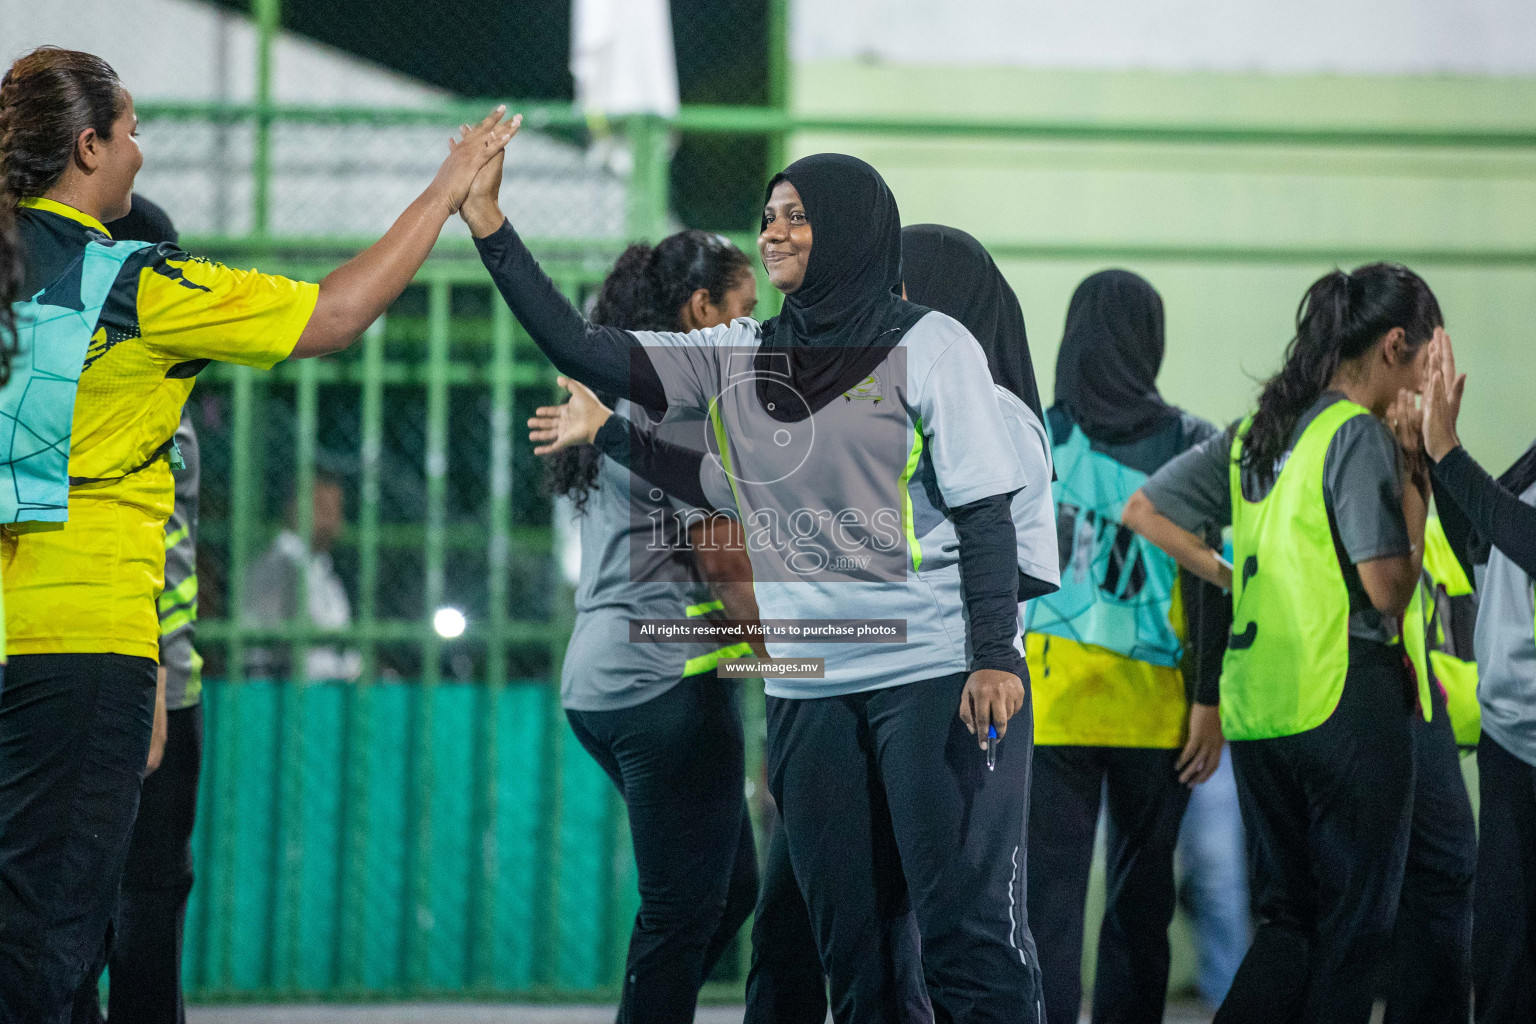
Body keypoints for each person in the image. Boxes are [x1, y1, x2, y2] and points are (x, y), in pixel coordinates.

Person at [0, 46, 514, 1019]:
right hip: (83, 641)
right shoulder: (128, 284)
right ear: (87, 144)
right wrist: (447, 188)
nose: (141, 154)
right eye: (134, 131)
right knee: (51, 943)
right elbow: (336, 311)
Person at [479, 142, 1042, 1020]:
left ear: (851, 229)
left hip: (929, 677)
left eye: (798, 215)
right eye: (769, 214)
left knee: (963, 941)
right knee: (852, 953)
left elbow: (984, 511)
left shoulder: (936, 346)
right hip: (808, 688)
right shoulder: (743, 353)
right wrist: (489, 225)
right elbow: (584, 346)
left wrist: (994, 655)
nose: (775, 231)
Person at [1122, 263, 1439, 1024]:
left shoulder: (1256, 435)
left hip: (1264, 710)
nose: (1434, 373)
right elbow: (1390, 592)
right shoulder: (1357, 436)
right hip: (1345, 701)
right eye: (1431, 354)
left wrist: (1231, 576)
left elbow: (1144, 511)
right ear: (1397, 344)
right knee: (1355, 929)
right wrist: (1416, 469)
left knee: (1292, 923)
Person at [541, 231, 765, 1024]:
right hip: (665, 686)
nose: (753, 334)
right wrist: (798, 660)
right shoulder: (684, 403)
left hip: (602, 681)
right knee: (680, 914)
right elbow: (724, 567)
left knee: (727, 888)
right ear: (699, 310)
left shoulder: (627, 399)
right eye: (743, 313)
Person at [1019, 268, 1227, 1024]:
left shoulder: (1037, 435)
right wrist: (1207, 701)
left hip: (1049, 705)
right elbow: (1213, 587)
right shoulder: (1191, 441)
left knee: (1047, 899)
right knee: (1141, 905)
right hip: (1158, 709)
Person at [1419, 330, 1536, 1023]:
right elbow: (1481, 544)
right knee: (1502, 955)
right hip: (1513, 734)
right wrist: (1441, 461)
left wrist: (1448, 453)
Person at [243, 469, 362, 681]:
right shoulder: (278, 566)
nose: (332, 521)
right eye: (321, 508)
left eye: (336, 510)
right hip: (285, 696)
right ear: (292, 508)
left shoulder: (319, 567)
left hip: (324, 695)